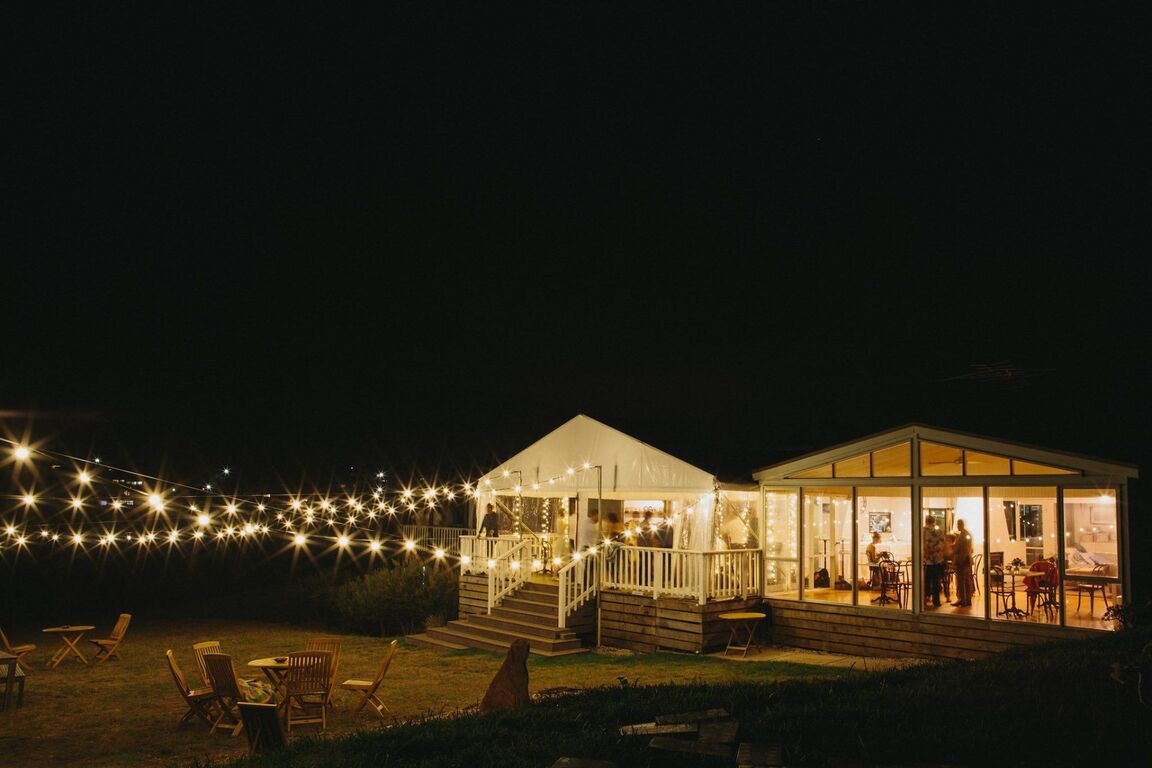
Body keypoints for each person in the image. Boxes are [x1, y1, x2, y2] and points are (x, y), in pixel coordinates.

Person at [922, 515, 946, 608]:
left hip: (926, 561)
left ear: (925, 521)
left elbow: (921, 545)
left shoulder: (922, 531)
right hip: (937, 560)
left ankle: (924, 600)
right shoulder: (939, 531)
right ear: (934, 522)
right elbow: (942, 544)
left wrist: (927, 552)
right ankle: (936, 601)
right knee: (936, 582)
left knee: (925, 582)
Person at [950, 519, 974, 607]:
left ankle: (962, 600)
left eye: (958, 524)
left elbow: (957, 548)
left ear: (961, 525)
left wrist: (951, 545)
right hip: (966, 560)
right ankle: (968, 600)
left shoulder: (963, 535)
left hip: (962, 560)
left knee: (961, 581)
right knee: (966, 580)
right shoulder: (967, 534)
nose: (957, 526)